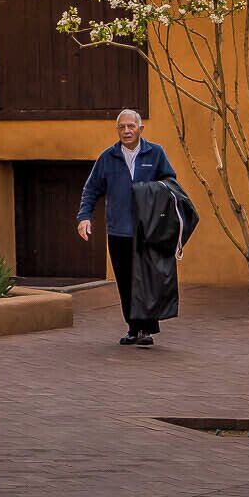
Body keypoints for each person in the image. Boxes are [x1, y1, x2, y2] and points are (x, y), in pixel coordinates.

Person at [76, 108, 176, 346]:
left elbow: (170, 183)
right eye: (122, 127)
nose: (127, 131)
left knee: (146, 281)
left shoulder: (155, 153)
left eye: (131, 126)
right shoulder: (107, 158)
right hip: (118, 230)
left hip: (147, 230)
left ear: (141, 128)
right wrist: (84, 217)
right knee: (126, 281)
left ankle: (147, 330)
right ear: (117, 130)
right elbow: (91, 190)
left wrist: (150, 195)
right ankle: (133, 328)